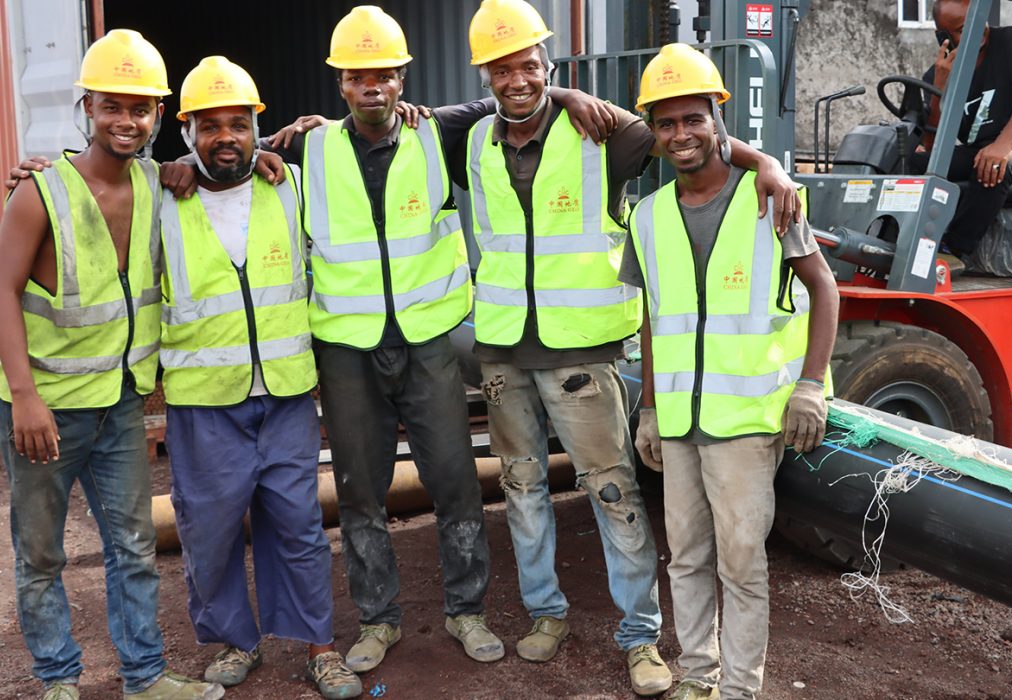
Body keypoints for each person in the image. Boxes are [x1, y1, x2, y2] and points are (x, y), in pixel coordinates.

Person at [261, 5, 620, 675]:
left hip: (427, 341)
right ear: (339, 84)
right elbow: (232, 168)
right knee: (361, 492)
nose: (374, 87)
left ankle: (467, 611)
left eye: (386, 75)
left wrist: (567, 90)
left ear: (403, 79)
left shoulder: (442, 133)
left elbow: (515, 96)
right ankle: (377, 620)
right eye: (359, 77)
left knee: (455, 481)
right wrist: (187, 169)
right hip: (347, 349)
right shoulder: (306, 147)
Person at [462, 1, 802, 695]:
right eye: (502, 69)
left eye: (530, 65)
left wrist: (766, 160)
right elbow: (387, 118)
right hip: (502, 348)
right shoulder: (467, 138)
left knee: (612, 490)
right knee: (522, 490)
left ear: (548, 66)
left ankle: (640, 635)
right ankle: (545, 613)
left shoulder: (601, 132)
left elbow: (689, 137)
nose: (516, 79)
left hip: (583, 349)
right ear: (486, 77)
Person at [0, 30, 223, 700]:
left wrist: (288, 139)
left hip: (121, 405)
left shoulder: (161, 184)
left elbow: (234, 152)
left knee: (133, 549)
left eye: (142, 109)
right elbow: (3, 290)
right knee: (41, 554)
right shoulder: (40, 193)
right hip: (45, 408)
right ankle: (58, 680)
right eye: (112, 106)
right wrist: (25, 396)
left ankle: (144, 676)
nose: (127, 121)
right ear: (87, 108)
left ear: (158, 116)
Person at [625, 43, 839, 700]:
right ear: (655, 135)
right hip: (682, 421)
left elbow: (826, 290)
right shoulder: (649, 215)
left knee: (741, 563)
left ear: (718, 119)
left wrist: (810, 385)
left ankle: (741, 690)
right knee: (686, 557)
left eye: (694, 118)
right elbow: (654, 319)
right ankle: (699, 677)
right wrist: (653, 411)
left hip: (747, 423)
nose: (682, 134)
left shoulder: (770, 198)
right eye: (667, 123)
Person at [156, 56, 362, 699]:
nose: (226, 137)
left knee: (298, 524)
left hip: (286, 395)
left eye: (238, 124)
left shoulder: (292, 185)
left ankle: (319, 646)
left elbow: (356, 133)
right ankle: (234, 641)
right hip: (202, 403)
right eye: (210, 126)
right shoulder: (159, 198)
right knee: (210, 530)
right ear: (186, 133)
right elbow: (98, 172)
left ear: (257, 130)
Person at [910, 0, 1012, 256]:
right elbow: (932, 146)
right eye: (962, 29)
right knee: (912, 164)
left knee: (990, 165)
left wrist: (1003, 144)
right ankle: (900, 241)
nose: (977, 32)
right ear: (942, 37)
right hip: (977, 149)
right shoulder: (938, 74)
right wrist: (939, 90)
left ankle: (953, 251)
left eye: (978, 22)